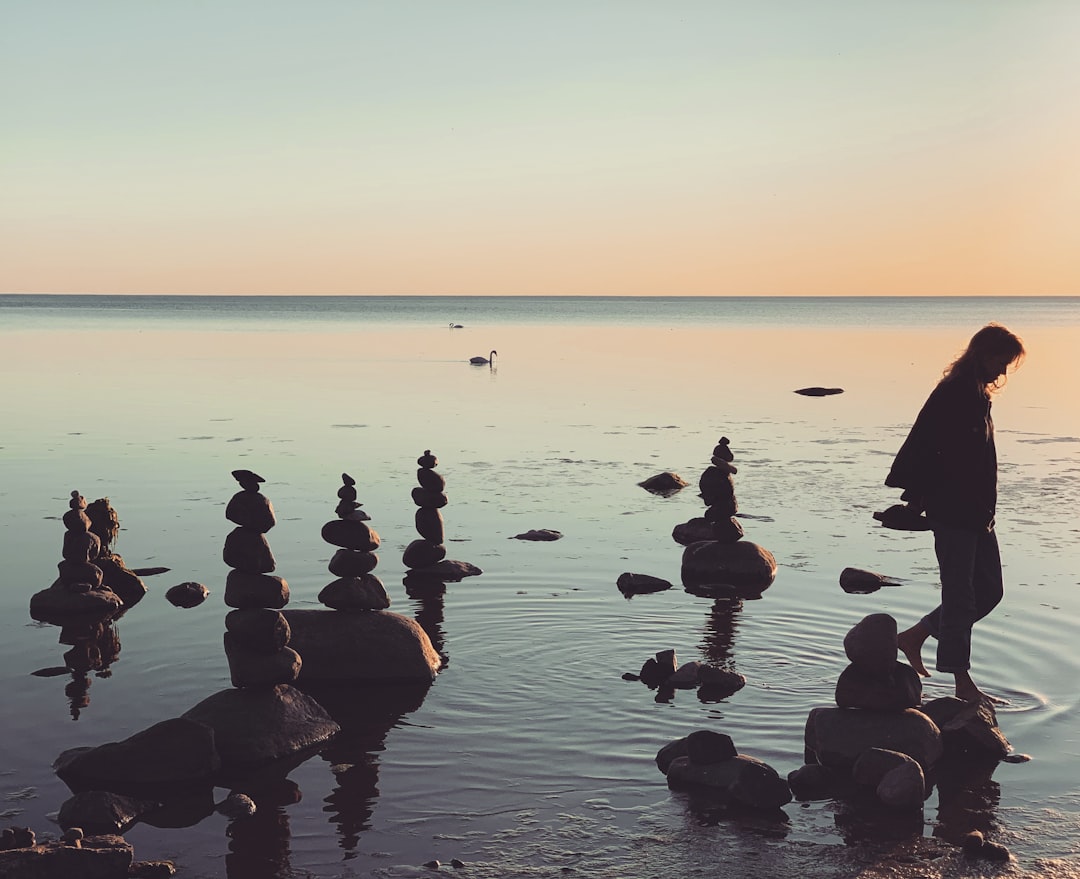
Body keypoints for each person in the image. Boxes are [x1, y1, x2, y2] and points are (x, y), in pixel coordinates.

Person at [884, 323, 1025, 703]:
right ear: (981, 353)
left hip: (978, 512)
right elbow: (927, 446)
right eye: (1001, 361)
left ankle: (914, 636)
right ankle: (962, 684)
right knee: (961, 596)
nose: (1003, 372)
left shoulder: (976, 394)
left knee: (989, 591)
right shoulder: (955, 394)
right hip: (954, 510)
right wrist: (915, 503)